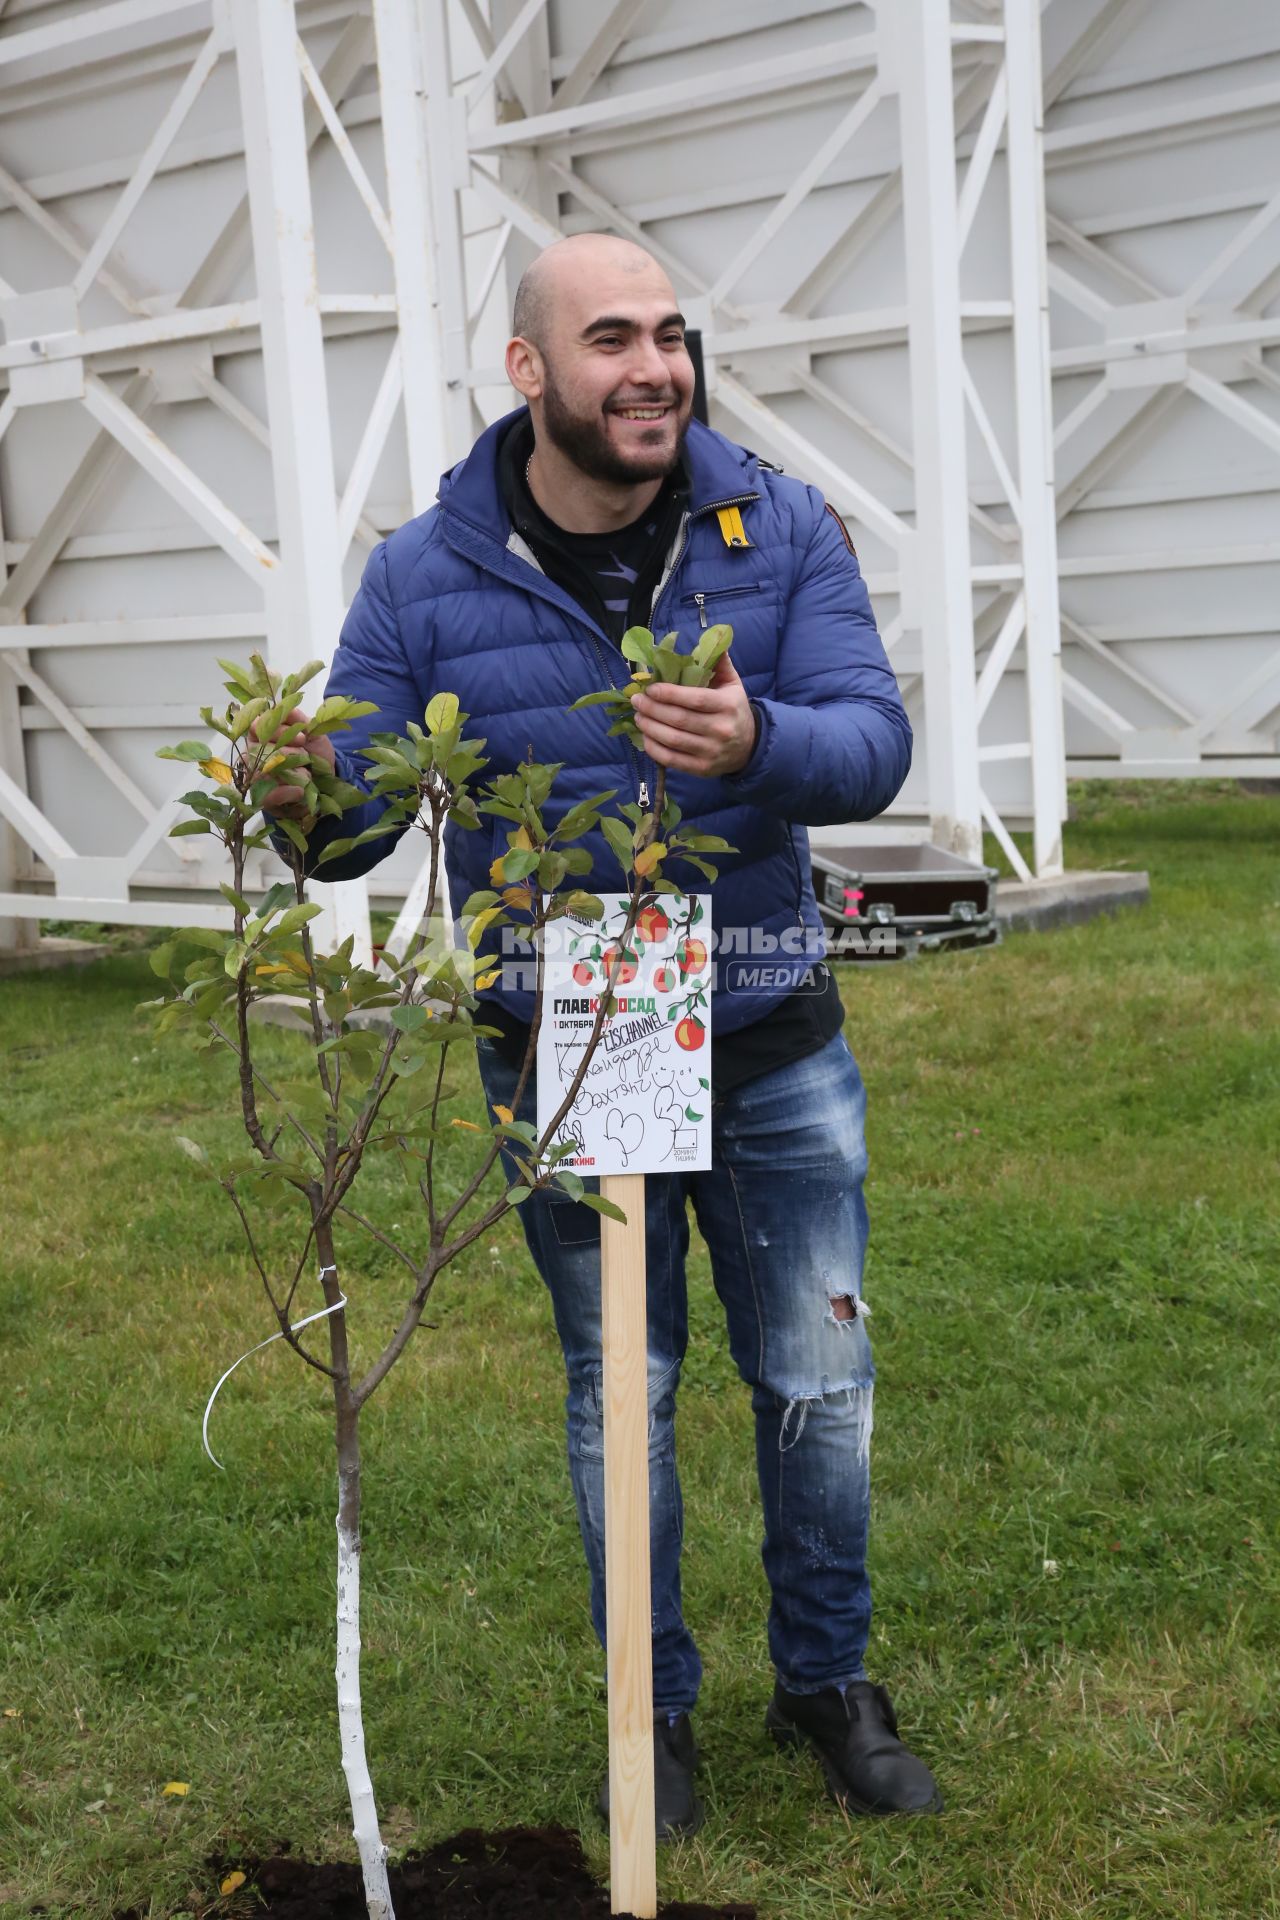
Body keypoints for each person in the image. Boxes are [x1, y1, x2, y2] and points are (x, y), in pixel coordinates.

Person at [267, 232, 941, 1835]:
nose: (656, 367)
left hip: (772, 1028)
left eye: (672, 335)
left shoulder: (773, 523)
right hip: (574, 1044)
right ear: (529, 370)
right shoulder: (425, 571)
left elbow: (872, 743)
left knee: (817, 1374)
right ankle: (657, 1713)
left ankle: (828, 1682)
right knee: (617, 1392)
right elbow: (355, 815)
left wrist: (761, 738)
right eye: (613, 339)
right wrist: (297, 799)